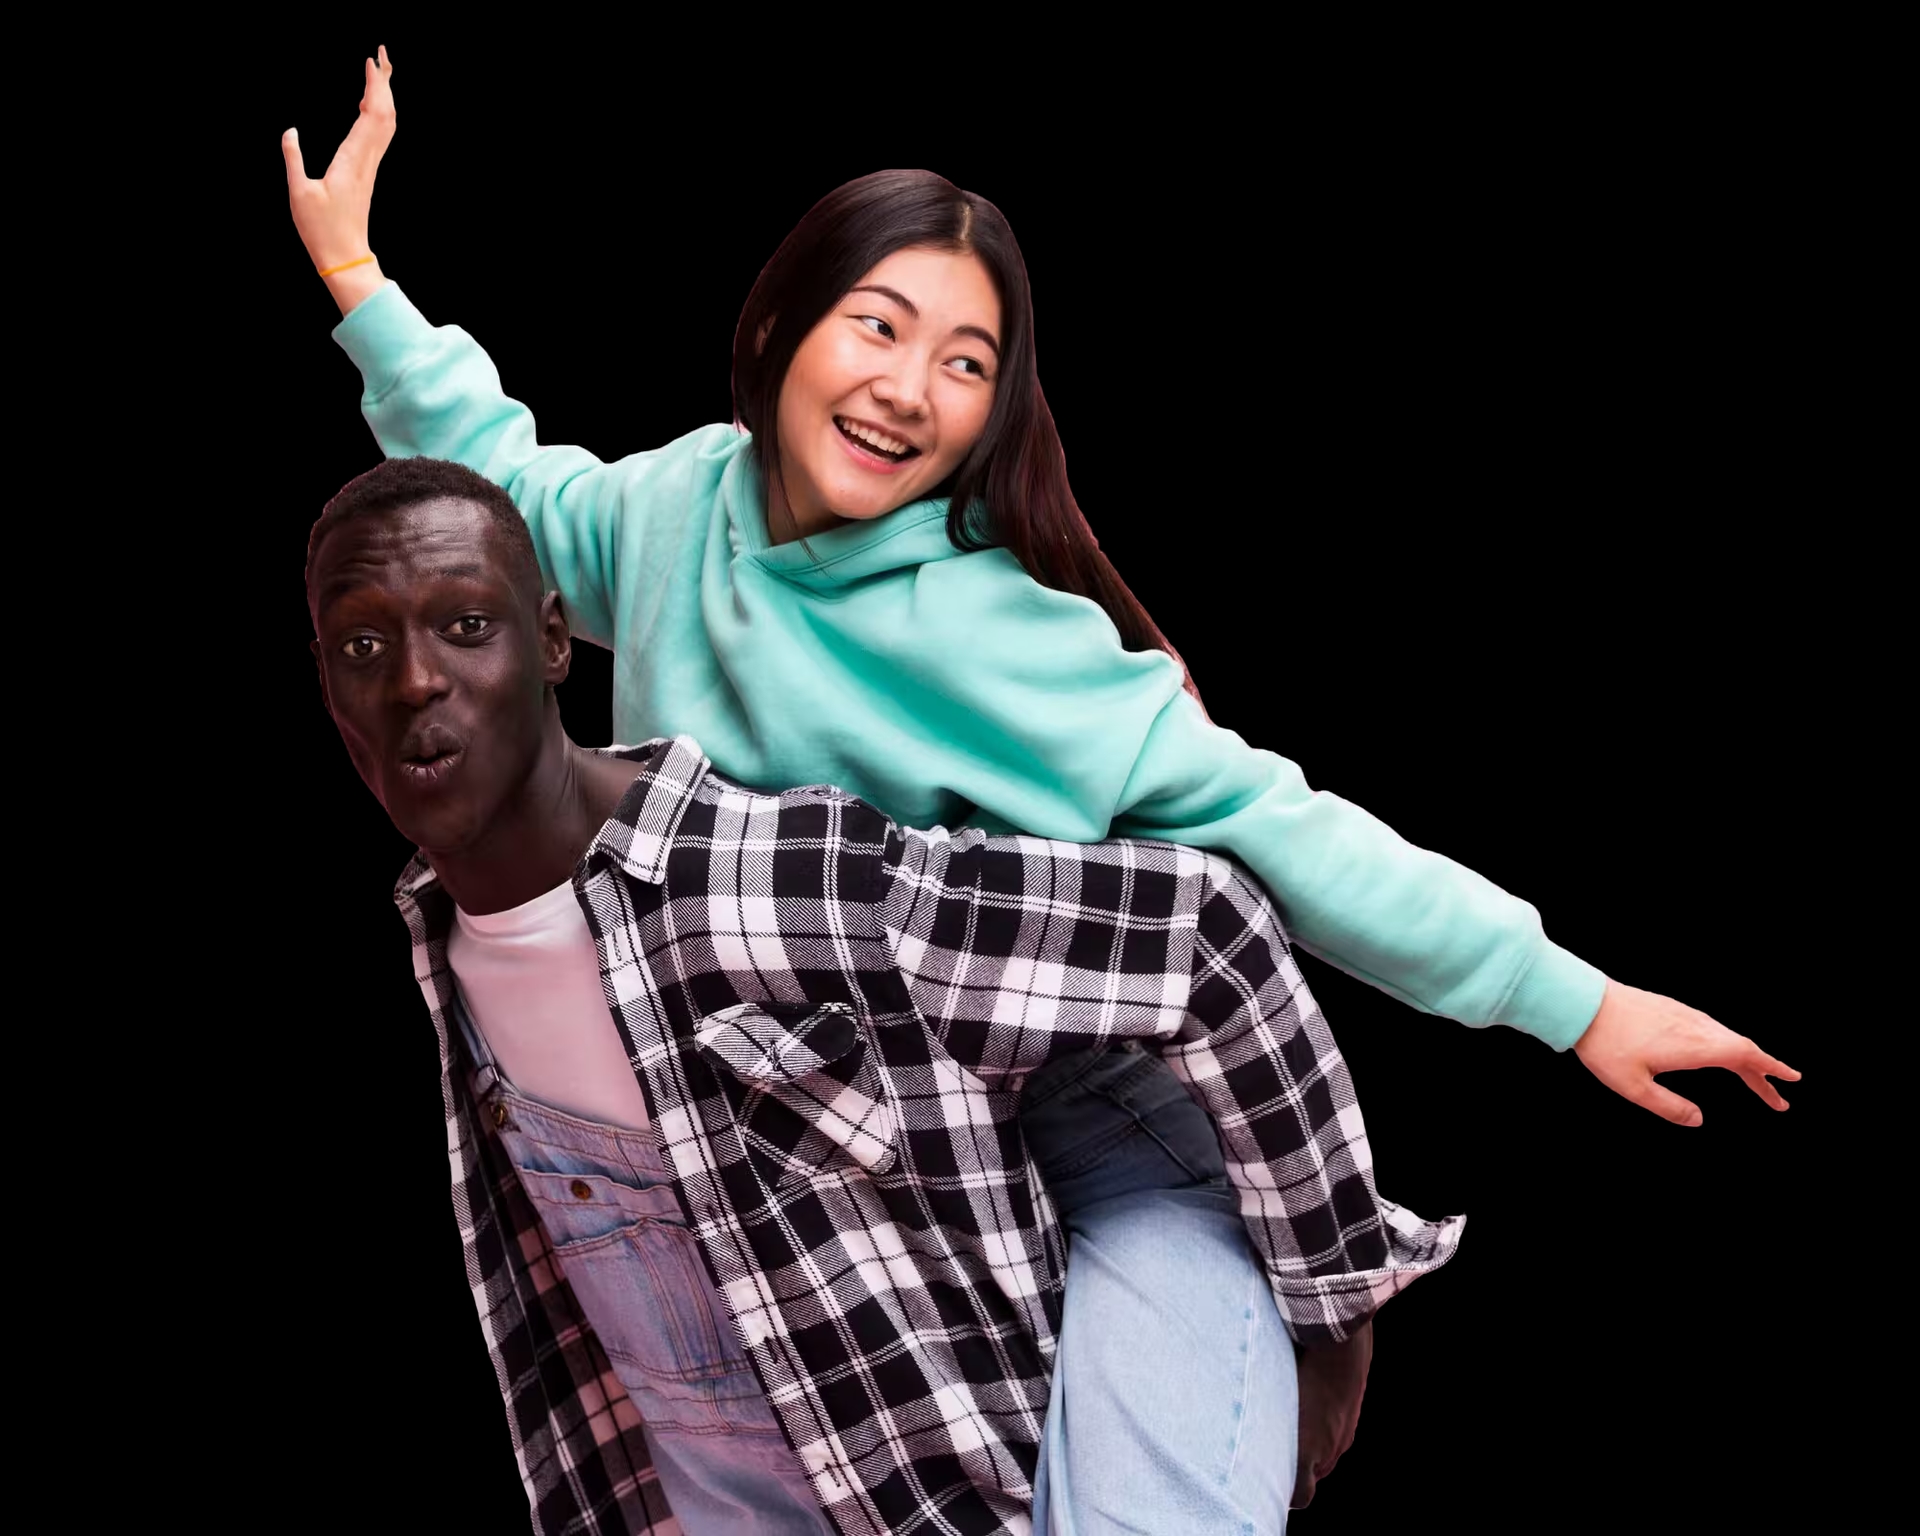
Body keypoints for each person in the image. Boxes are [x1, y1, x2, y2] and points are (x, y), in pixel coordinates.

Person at [282, 45, 1800, 1528]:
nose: (909, 389)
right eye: (877, 328)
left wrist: (1572, 999)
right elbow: (505, 488)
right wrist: (360, 283)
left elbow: (1275, 831)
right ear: (781, 330)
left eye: (966, 363)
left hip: (1100, 1124)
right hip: (909, 1142)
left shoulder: (1005, 637)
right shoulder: (684, 503)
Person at [309, 455, 1452, 1534]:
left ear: (554, 639)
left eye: (468, 627)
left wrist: (1331, 1298)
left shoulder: (780, 879)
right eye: (363, 646)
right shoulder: (444, 956)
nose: (415, 681)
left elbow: (1205, 930)